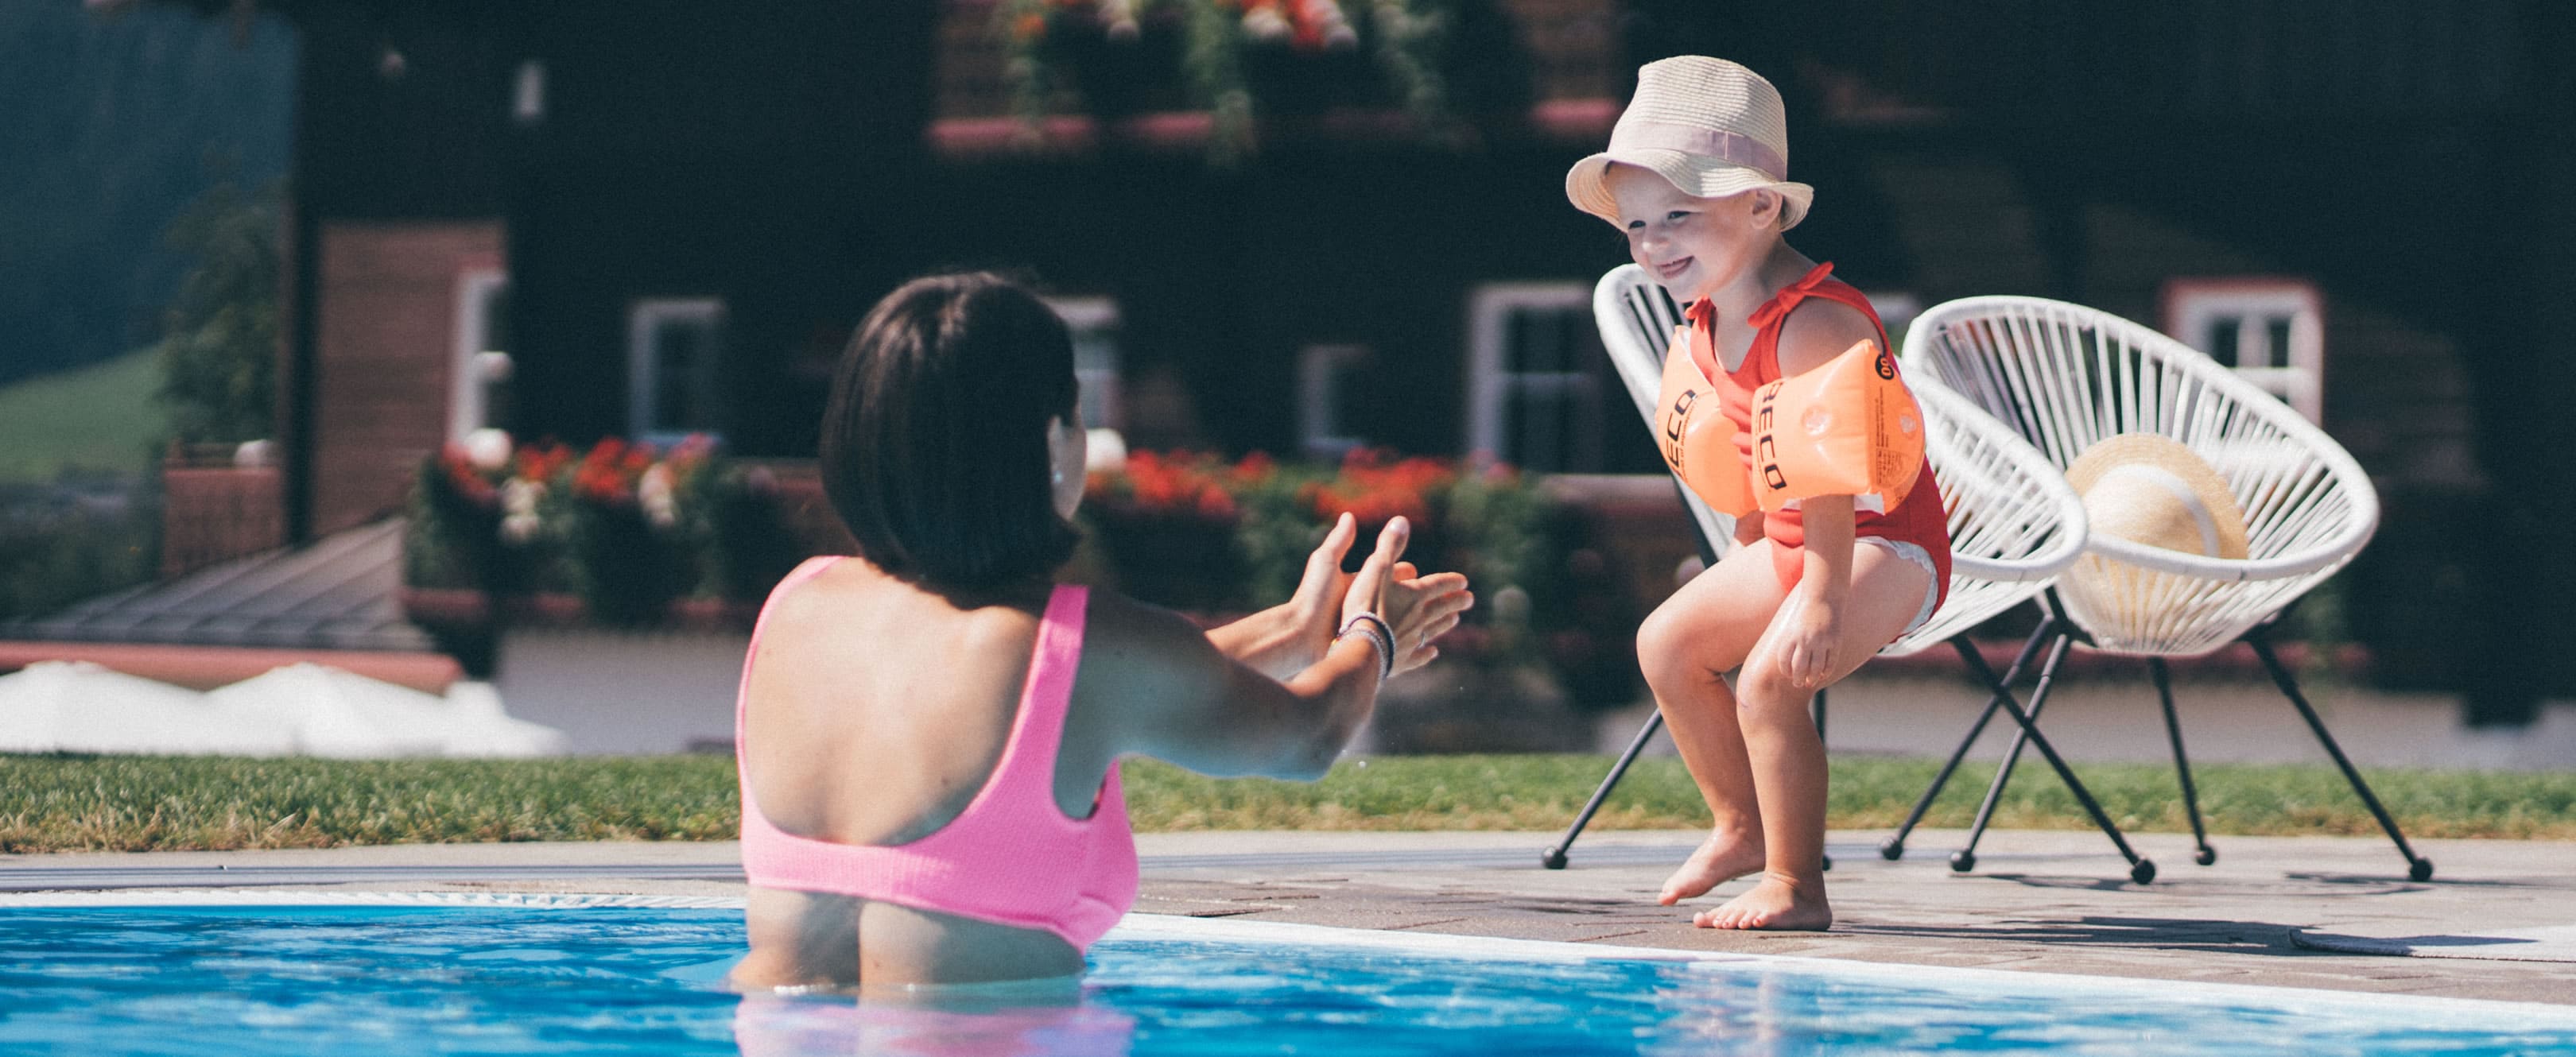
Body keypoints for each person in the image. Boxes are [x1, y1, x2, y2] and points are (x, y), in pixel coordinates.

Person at [727, 272, 1473, 991]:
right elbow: (1307, 740)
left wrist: (1290, 633)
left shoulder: (800, 604)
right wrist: (1370, 634)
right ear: (1053, 441)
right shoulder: (1084, 645)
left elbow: (1041, 710)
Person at [1564, 56, 1951, 931]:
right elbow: (1753, 467)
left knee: (1770, 684)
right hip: (1792, 538)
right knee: (1666, 643)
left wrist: (1816, 600)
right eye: (1636, 226)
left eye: (1678, 217)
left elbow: (1824, 479)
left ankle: (1796, 884)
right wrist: (1752, 558)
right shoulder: (1706, 316)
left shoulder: (1814, 318)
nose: (1655, 243)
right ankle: (1739, 827)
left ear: (1761, 206)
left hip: (1883, 544)